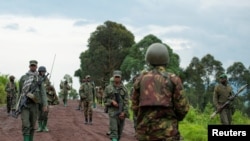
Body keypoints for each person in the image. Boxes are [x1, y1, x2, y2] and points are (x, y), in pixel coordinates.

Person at [131, 43, 189, 141]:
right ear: (166, 59)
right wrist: (173, 119)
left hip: (145, 133)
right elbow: (182, 108)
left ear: (148, 59)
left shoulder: (140, 79)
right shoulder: (173, 80)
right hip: (167, 134)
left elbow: (134, 107)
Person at [18, 60, 48, 141]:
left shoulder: (39, 79)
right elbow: (19, 93)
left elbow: (43, 92)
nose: (33, 67)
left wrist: (45, 104)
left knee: (32, 125)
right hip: (24, 105)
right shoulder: (23, 78)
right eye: (31, 65)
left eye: (34, 66)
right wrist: (16, 106)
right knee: (25, 125)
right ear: (29, 66)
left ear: (36, 67)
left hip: (34, 105)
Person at [104, 70, 129, 141]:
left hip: (122, 112)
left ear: (121, 78)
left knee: (119, 133)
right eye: (116, 77)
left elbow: (127, 102)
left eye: (118, 77)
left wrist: (124, 112)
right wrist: (111, 101)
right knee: (114, 132)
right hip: (113, 112)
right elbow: (104, 99)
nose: (117, 78)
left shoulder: (125, 89)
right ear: (113, 77)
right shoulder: (108, 88)